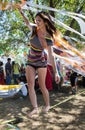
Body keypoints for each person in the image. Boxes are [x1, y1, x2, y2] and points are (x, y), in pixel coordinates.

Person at [18, 7, 60, 116]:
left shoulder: (49, 37)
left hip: (41, 62)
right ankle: (35, 108)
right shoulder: (33, 29)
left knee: (42, 85)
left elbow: (51, 56)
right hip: (30, 61)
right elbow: (27, 21)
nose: (36, 22)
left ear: (45, 21)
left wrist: (56, 72)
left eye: (39, 20)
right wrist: (22, 13)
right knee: (31, 85)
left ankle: (47, 105)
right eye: (36, 20)